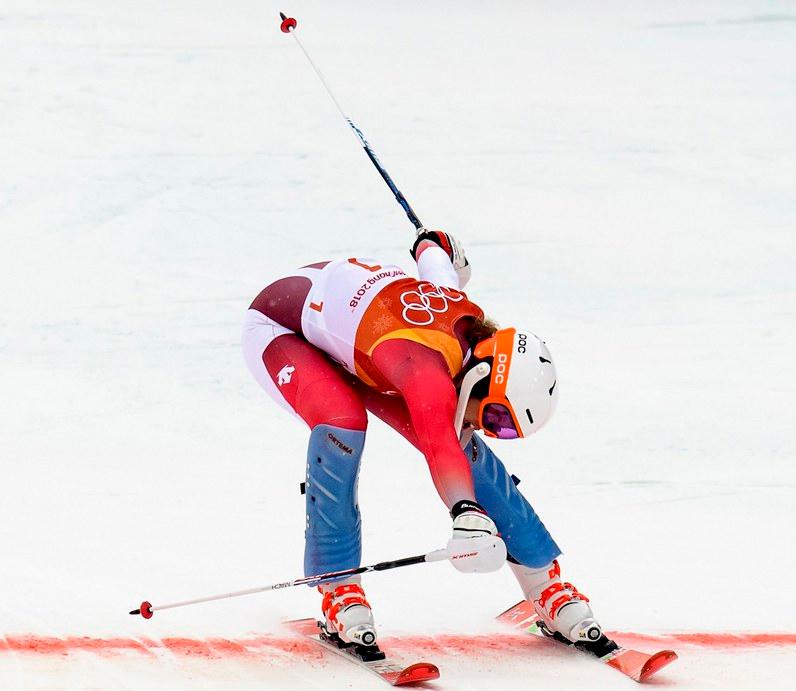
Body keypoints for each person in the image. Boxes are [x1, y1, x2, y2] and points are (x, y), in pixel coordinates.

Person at [241, 230, 602, 650]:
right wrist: (465, 515)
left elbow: (435, 260)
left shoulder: (462, 315)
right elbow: (437, 444)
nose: (490, 429)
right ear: (482, 375)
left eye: (503, 427)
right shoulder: (425, 370)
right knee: (343, 422)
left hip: (358, 335)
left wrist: (434, 244)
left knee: (463, 442)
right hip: (283, 330)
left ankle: (545, 582)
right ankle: (339, 590)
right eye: (496, 416)